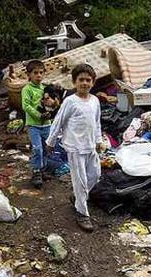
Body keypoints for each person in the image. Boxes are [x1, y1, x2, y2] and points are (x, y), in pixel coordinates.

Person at [46, 64, 102, 232]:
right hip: (75, 148)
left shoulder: (95, 100)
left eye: (88, 80)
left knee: (95, 175)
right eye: (81, 80)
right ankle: (82, 213)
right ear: (74, 82)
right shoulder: (70, 101)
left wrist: (99, 140)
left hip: (90, 146)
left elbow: (97, 122)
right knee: (81, 182)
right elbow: (59, 121)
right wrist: (50, 141)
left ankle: (78, 198)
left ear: (93, 82)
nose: (84, 83)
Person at [21, 60, 51, 189]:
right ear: (29, 75)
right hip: (34, 125)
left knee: (46, 148)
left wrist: (51, 111)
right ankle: (36, 171)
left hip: (47, 125)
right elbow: (26, 106)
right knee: (37, 148)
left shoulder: (45, 88)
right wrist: (39, 115)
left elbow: (51, 102)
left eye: (41, 72)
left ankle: (43, 168)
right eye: (35, 73)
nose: (38, 75)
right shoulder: (27, 89)